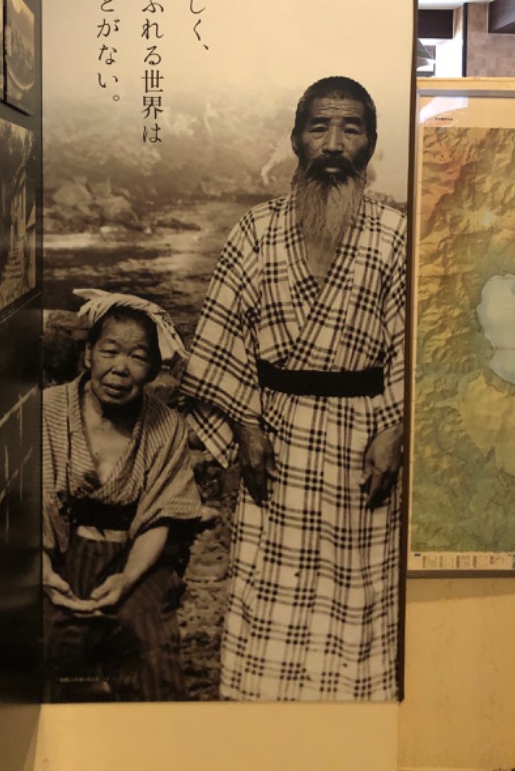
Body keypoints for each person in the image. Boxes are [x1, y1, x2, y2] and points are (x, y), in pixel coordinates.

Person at [180, 75, 406, 702]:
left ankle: (352, 727)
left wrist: (392, 429)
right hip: (274, 438)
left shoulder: (394, 234)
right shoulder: (255, 230)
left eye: (351, 128)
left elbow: (409, 346)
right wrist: (246, 428)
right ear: (296, 140)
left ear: (371, 143)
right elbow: (225, 336)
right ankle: (261, 723)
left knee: (359, 595)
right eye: (319, 127)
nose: (334, 143)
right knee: (266, 588)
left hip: (363, 441)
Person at [42, 290, 202, 701]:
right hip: (58, 554)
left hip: (137, 558)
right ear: (88, 354)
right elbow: (31, 502)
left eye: (137, 357)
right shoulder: (49, 410)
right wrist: (42, 570)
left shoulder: (165, 427)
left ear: (151, 370)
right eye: (110, 351)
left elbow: (163, 515)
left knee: (145, 639)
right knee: (52, 641)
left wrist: (128, 578)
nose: (120, 369)